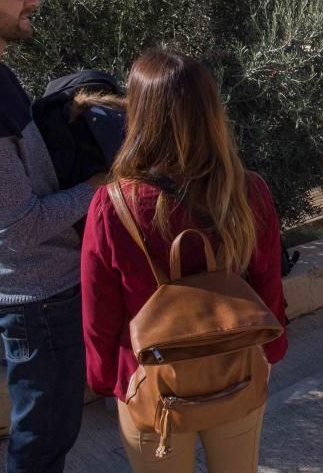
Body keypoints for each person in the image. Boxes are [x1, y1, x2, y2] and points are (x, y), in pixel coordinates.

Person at [81, 50, 288, 472]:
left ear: (138, 113)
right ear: (211, 110)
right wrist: (274, 348)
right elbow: (268, 281)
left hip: (151, 383)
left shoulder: (112, 204)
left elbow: (99, 309)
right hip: (237, 371)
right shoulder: (247, 192)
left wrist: (105, 378)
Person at [0, 0, 106, 472]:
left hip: (48, 290)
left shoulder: (3, 77)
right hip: (34, 299)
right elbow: (18, 228)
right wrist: (102, 185)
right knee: (41, 443)